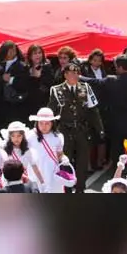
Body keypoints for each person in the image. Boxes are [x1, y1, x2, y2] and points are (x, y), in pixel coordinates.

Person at [48, 62, 103, 192]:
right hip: (64, 130)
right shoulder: (56, 90)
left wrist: (100, 128)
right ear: (65, 75)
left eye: (76, 73)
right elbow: (51, 111)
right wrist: (50, 130)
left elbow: (93, 110)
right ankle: (66, 188)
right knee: (65, 161)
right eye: (70, 73)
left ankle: (80, 188)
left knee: (82, 161)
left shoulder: (85, 88)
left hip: (81, 129)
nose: (73, 75)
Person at [26, 107, 65, 193]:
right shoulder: (30, 135)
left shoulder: (58, 136)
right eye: (41, 123)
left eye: (47, 123)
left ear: (52, 123)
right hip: (36, 172)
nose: (44, 126)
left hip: (52, 171)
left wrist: (64, 158)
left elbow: (59, 154)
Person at [0, 40, 30, 128]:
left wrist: (11, 80)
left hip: (15, 104)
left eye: (13, 49)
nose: (11, 52)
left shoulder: (22, 66)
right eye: (9, 50)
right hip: (0, 105)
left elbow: (25, 83)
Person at [1, 121, 45, 186]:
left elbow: (35, 167)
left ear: (23, 136)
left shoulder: (27, 151)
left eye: (19, 136)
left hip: (23, 181)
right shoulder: (5, 150)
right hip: (8, 182)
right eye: (13, 136)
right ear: (9, 137)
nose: (16, 138)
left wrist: (42, 182)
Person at [24, 44, 57, 113]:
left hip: (43, 102)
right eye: (35, 53)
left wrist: (38, 78)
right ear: (30, 56)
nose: (38, 55)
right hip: (28, 103)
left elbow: (49, 84)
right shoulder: (26, 68)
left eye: (39, 53)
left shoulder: (46, 67)